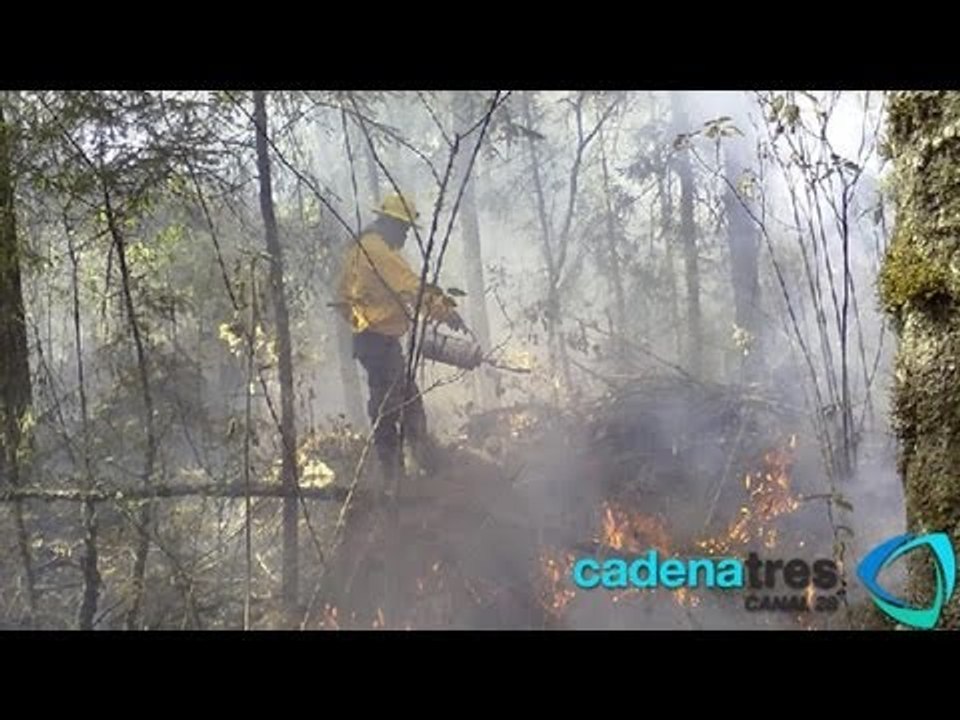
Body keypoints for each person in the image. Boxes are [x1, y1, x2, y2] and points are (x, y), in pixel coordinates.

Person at [335, 192, 465, 485]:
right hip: (378, 342)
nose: (406, 235)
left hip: (372, 340)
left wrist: (369, 319)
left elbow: (345, 298)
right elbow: (411, 287)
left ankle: (412, 472)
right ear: (390, 222)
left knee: (398, 404)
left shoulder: (360, 247)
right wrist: (445, 311)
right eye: (404, 228)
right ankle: (403, 479)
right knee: (394, 407)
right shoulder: (377, 252)